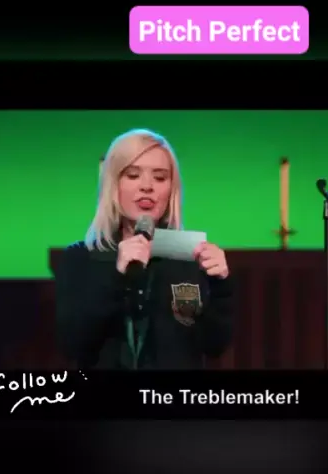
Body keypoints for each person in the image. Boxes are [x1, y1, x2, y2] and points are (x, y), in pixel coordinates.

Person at [54, 129, 234, 369]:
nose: (147, 186)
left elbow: (213, 346)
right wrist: (117, 278)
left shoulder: (188, 257)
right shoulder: (81, 258)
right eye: (133, 175)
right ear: (113, 184)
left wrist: (221, 286)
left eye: (160, 178)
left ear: (171, 189)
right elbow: (73, 344)